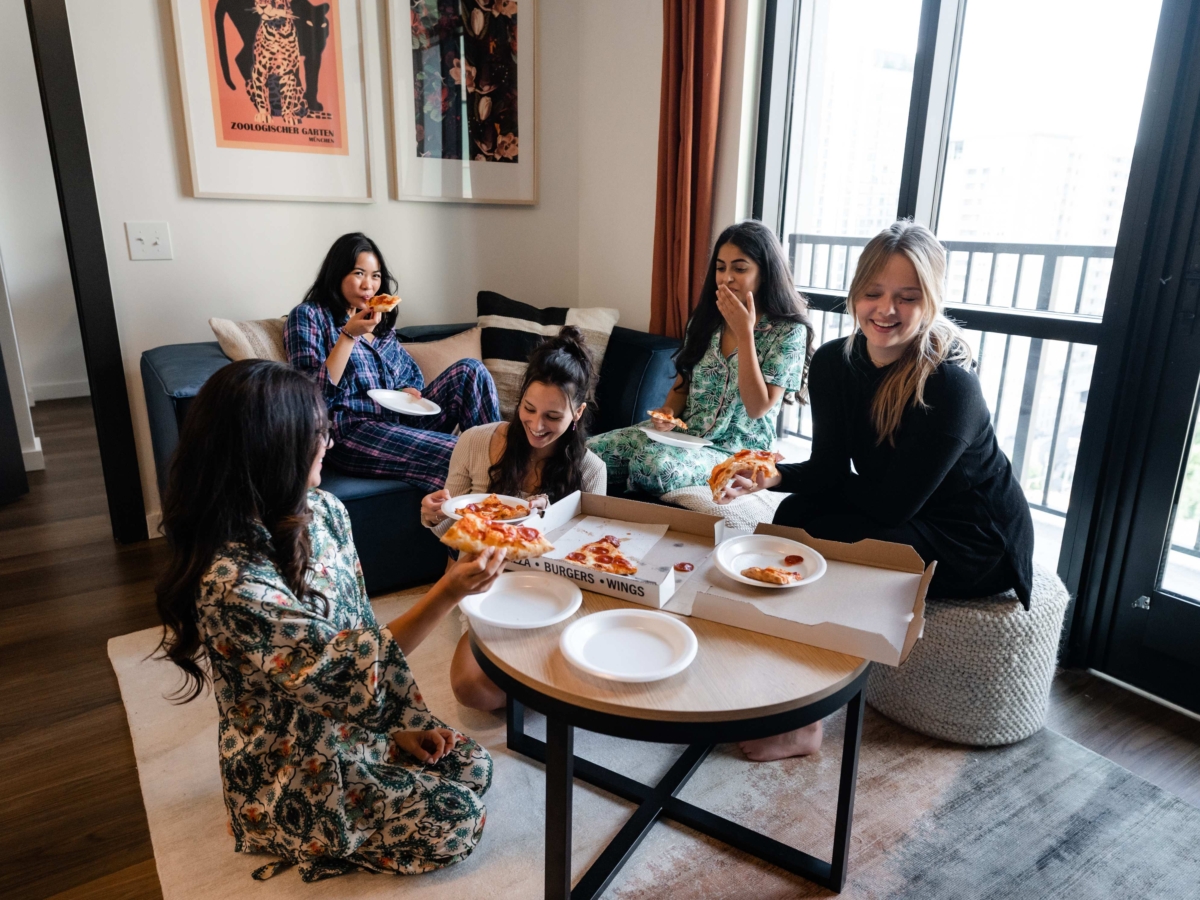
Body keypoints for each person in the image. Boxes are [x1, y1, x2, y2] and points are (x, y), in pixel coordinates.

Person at [154, 359, 507, 882]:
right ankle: (294, 828)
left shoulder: (324, 509)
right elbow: (342, 672)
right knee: (458, 819)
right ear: (276, 449)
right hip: (295, 763)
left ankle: (375, 768)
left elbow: (361, 627)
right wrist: (447, 591)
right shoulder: (231, 581)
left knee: (475, 768)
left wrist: (399, 725)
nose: (331, 444)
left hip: (355, 722)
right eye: (319, 434)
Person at [718, 220, 1035, 761]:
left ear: (929, 301)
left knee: (827, 533)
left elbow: (890, 505)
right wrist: (776, 477)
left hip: (976, 537)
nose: (886, 309)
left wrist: (814, 495)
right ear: (855, 294)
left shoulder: (950, 385)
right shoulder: (834, 364)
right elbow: (827, 469)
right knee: (794, 512)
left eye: (907, 297)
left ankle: (807, 719)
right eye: (874, 293)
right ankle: (777, 677)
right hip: (907, 506)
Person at [419, 327, 608, 711]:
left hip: (550, 586)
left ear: (578, 413)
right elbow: (452, 533)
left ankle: (547, 678)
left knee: (587, 658)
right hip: (483, 582)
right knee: (471, 688)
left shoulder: (590, 471)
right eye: (529, 409)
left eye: (553, 416)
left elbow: (586, 557)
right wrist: (432, 515)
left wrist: (546, 524)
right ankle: (549, 685)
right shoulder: (474, 441)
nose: (537, 425)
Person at [588, 220, 813, 496]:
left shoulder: (789, 332)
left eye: (739, 268)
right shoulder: (705, 320)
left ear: (765, 273)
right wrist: (668, 413)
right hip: (683, 436)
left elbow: (758, 407)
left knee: (652, 466)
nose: (726, 277)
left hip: (733, 450)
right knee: (585, 454)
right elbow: (682, 387)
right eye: (720, 267)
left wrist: (745, 334)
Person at [285, 232, 500, 492]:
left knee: (470, 370)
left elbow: (410, 374)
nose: (369, 285)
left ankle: (504, 455)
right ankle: (496, 496)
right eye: (358, 273)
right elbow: (310, 397)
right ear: (337, 273)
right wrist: (348, 336)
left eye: (375, 276)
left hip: (399, 422)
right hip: (351, 430)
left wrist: (407, 391)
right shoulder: (309, 316)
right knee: (463, 450)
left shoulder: (380, 322)